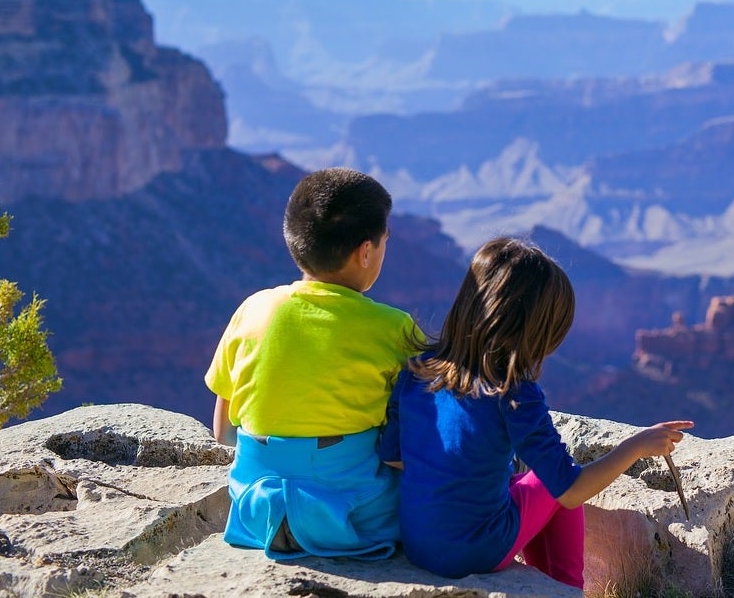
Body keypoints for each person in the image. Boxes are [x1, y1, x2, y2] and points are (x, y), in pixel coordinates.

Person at [379, 236, 692, 589]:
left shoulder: (418, 370)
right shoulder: (513, 393)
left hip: (418, 544)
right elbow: (570, 490)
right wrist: (636, 446)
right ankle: (567, 588)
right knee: (553, 479)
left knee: (523, 482)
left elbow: (394, 458)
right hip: (475, 551)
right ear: (535, 329)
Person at [205, 167, 421, 560]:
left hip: (258, 514)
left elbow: (222, 430)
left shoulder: (253, 309)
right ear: (366, 251)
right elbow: (421, 434)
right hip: (357, 519)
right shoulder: (395, 328)